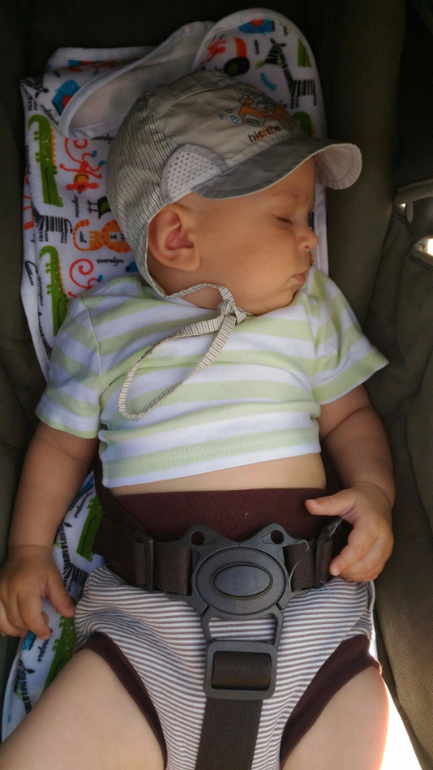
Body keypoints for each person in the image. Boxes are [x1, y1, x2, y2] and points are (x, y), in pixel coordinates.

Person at [0, 70, 394, 770]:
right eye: (287, 218)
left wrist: (374, 492)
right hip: (146, 636)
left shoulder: (311, 309)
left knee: (364, 704)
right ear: (177, 236)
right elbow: (59, 449)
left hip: (311, 624)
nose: (310, 240)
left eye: (308, 219)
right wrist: (30, 550)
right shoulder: (103, 327)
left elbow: (350, 418)